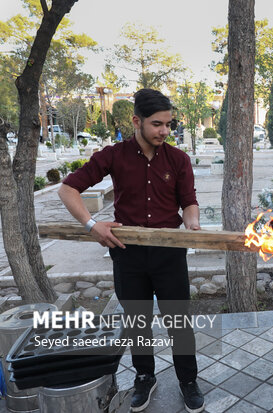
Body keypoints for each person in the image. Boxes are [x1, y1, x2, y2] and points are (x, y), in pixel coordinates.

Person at [58, 89, 204, 413]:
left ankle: (188, 380)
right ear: (136, 121)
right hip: (128, 253)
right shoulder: (113, 156)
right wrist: (91, 224)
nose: (165, 131)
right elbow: (68, 189)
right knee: (138, 319)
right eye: (157, 124)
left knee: (178, 320)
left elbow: (189, 201)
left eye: (169, 124)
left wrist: (192, 226)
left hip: (169, 253)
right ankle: (144, 376)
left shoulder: (178, 159)